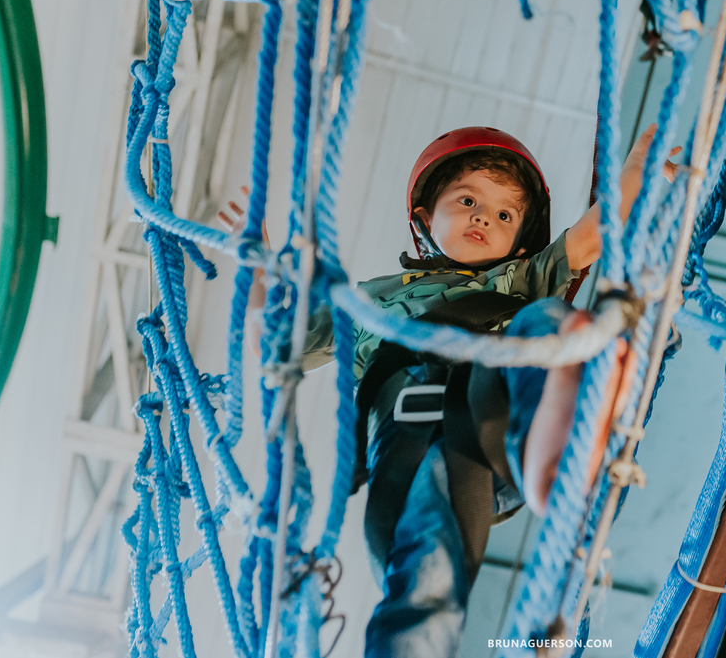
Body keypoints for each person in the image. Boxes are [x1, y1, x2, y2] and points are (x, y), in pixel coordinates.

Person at [228, 125, 676, 657]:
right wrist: (256, 270)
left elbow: (592, 236)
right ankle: (548, 452)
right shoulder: (370, 302)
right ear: (424, 219)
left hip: (493, 426)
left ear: (519, 240)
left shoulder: (520, 278)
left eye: (504, 215)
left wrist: (634, 179)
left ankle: (548, 445)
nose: (484, 216)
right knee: (428, 577)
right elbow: (274, 346)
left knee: (547, 317)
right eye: (467, 200)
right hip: (411, 442)